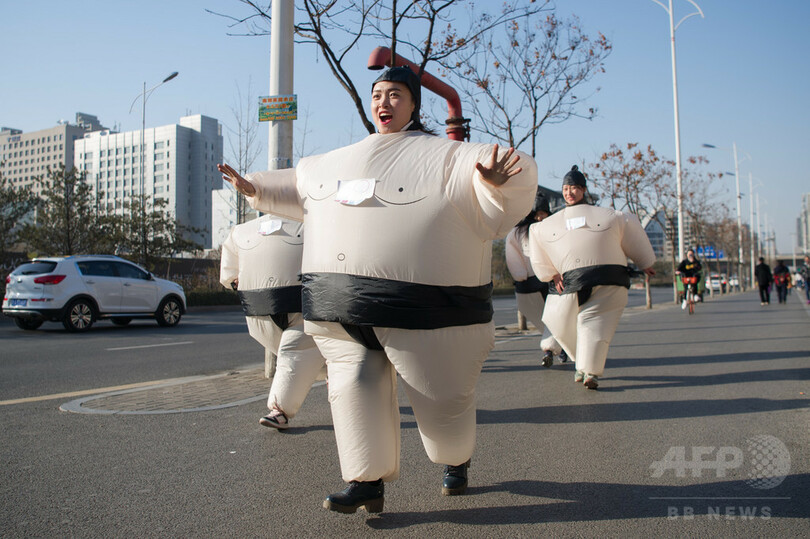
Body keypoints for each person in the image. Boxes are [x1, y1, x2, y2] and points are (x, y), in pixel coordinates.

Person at [218, 66, 537, 514]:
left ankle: (455, 459)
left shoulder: (450, 158)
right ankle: (365, 481)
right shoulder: (337, 161)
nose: (384, 103)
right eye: (378, 95)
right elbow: (299, 185)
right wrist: (256, 189)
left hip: (427, 311)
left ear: (413, 104)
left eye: (395, 95)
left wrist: (496, 185)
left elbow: (501, 190)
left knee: (442, 401)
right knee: (352, 388)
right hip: (341, 307)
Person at [528, 165, 656, 390]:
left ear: (584, 190)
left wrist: (645, 262)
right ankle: (584, 366)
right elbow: (538, 245)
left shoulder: (610, 217)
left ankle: (590, 372)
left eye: (574, 188)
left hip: (607, 280)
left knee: (594, 324)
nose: (569, 193)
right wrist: (551, 273)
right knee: (562, 321)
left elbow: (630, 227)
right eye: (566, 188)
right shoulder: (547, 226)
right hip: (572, 283)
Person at [220, 215, 326, 429]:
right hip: (264, 308)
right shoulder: (311, 222)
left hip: (283, 306)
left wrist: (233, 280)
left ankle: (280, 410)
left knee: (296, 351)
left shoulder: (241, 231)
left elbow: (229, 272)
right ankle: (335, 377)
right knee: (305, 355)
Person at [504, 191, 566, 367]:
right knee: (549, 320)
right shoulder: (520, 233)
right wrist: (521, 275)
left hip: (545, 281)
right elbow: (514, 257)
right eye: (537, 214)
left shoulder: (518, 233)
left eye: (543, 214)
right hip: (540, 280)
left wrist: (521, 277)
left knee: (551, 319)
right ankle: (558, 349)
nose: (539, 218)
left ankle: (551, 349)